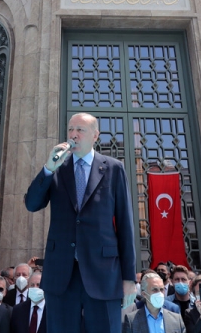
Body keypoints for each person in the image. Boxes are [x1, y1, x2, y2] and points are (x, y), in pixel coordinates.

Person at [25, 112, 136, 333]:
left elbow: (125, 224)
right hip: (61, 275)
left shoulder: (113, 168)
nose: (73, 135)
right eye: (70, 130)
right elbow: (31, 204)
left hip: (103, 273)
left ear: (95, 136)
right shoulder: (57, 169)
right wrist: (48, 169)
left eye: (80, 130)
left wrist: (129, 277)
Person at [121, 273, 185, 333]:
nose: (159, 293)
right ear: (144, 294)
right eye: (155, 289)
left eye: (161, 289)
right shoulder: (131, 320)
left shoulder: (177, 319)